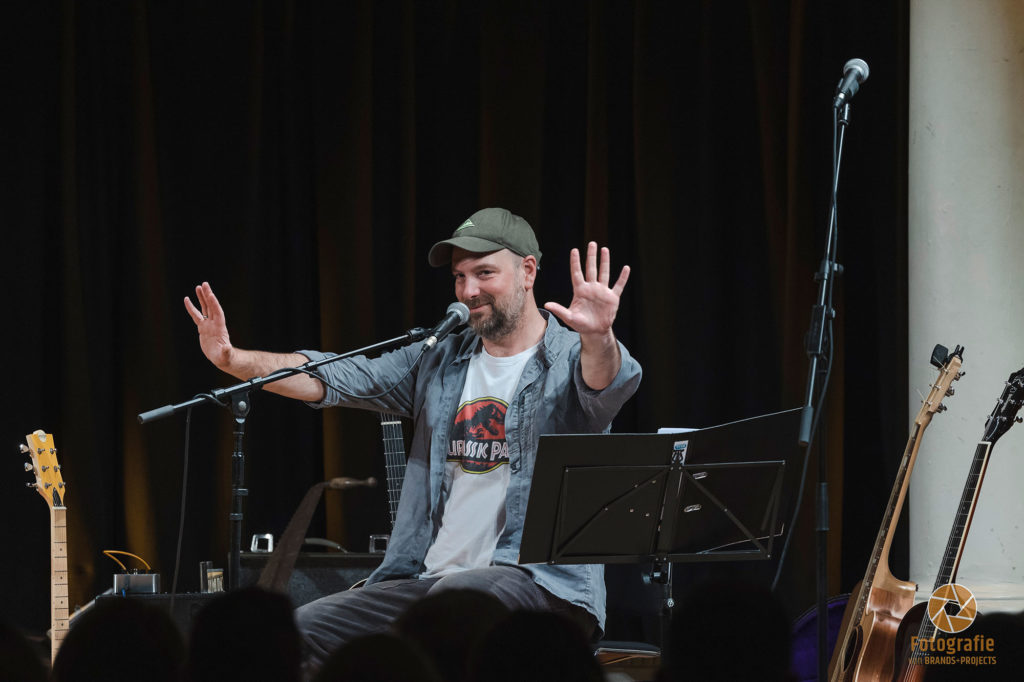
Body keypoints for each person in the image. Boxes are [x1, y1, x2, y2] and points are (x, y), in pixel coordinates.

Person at [184, 207, 642, 670]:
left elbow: (610, 382)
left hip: (539, 585)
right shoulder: (438, 360)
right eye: (460, 277)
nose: (468, 291)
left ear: (527, 271)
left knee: (455, 607)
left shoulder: (571, 358)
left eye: (484, 273)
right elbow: (336, 376)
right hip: (429, 581)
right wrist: (234, 360)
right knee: (302, 632)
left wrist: (599, 337)